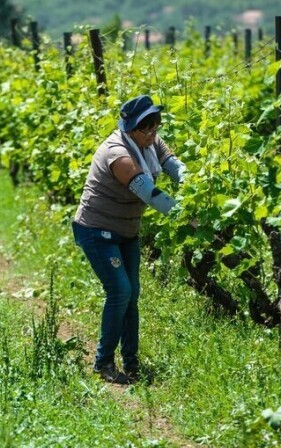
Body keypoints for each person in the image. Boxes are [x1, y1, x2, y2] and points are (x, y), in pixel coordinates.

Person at [72, 94, 188, 384]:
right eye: (145, 130)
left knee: (132, 294)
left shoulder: (151, 140)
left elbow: (175, 167)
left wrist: (198, 187)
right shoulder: (118, 154)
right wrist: (189, 218)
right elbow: (150, 194)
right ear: (130, 128)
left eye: (155, 128)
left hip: (126, 231)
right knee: (120, 291)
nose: (152, 135)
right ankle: (104, 363)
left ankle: (132, 362)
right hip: (96, 230)